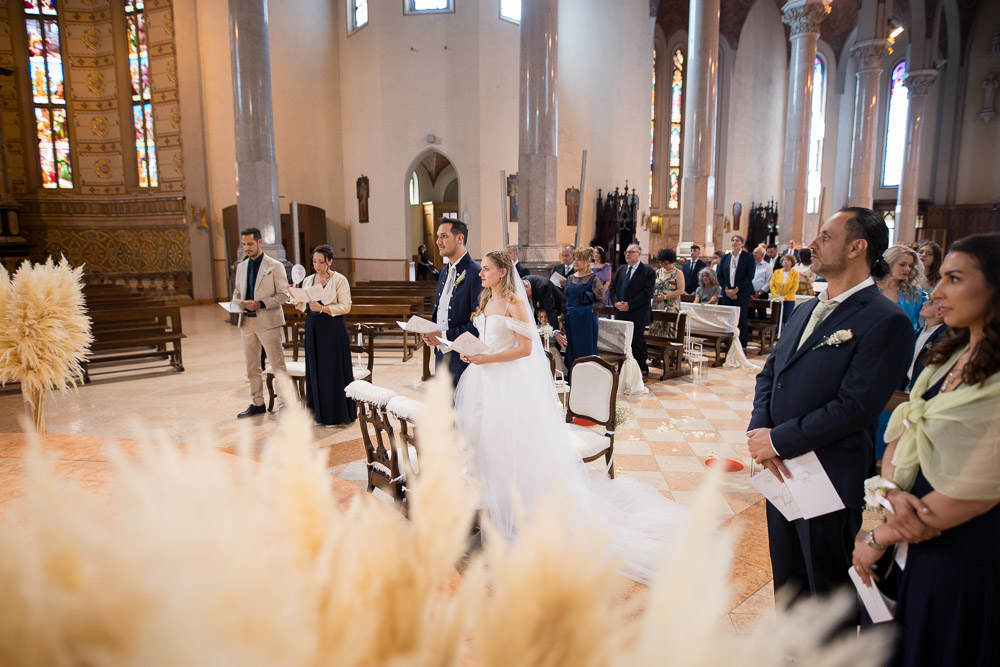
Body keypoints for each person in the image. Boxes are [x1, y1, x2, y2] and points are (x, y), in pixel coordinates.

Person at [454, 250, 687, 583]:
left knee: (513, 447)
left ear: (502, 273)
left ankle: (519, 517)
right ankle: (493, 514)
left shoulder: (515, 303)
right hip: (484, 380)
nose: (481, 273)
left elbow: (526, 348)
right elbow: (487, 338)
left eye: (486, 269)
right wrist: (472, 350)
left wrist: (489, 359)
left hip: (506, 382)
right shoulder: (486, 299)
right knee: (489, 448)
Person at [747, 206, 914, 606]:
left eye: (825, 236)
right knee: (786, 573)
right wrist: (759, 432)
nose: (812, 245)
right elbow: (771, 373)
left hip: (829, 470)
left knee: (825, 584)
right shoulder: (806, 308)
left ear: (857, 247)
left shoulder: (885, 320)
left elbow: (854, 407)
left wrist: (778, 440)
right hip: (780, 467)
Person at [851, 233, 1000, 667]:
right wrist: (884, 505)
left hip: (961, 548)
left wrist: (880, 536)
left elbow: (976, 489)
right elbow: (900, 437)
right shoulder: (948, 356)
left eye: (953, 279)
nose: (935, 292)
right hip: (905, 527)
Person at [292, 245, 356, 426]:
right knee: (315, 368)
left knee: (332, 370)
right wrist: (295, 296)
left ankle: (336, 414)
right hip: (313, 327)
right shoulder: (308, 280)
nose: (317, 266)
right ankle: (318, 414)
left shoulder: (339, 280)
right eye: (314, 261)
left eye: (321, 262)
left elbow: (346, 306)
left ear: (330, 261)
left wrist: (323, 308)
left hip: (332, 328)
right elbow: (301, 305)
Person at [232, 227, 289, 419]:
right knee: (252, 366)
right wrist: (237, 304)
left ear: (259, 242)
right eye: (244, 244)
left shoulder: (274, 266)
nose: (246, 248)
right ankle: (257, 403)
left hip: (268, 322)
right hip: (247, 323)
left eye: (249, 244)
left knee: (277, 365)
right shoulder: (241, 267)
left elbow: (283, 295)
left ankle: (284, 406)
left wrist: (261, 303)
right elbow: (237, 293)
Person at [423, 218, 483, 387]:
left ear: (459, 238)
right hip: (441, 354)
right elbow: (443, 311)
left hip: (463, 356)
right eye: (438, 237)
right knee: (445, 407)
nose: (438, 242)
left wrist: (442, 336)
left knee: (461, 410)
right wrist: (431, 331)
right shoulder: (443, 272)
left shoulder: (475, 273)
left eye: (443, 236)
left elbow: (477, 324)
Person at [610, 243, 656, 376]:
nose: (627, 254)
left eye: (631, 252)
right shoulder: (621, 270)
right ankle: (625, 369)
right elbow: (613, 288)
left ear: (639, 254)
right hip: (620, 312)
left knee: (637, 342)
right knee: (622, 342)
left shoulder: (648, 271)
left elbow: (647, 293)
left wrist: (630, 304)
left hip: (638, 313)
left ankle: (642, 369)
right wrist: (616, 302)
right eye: (626, 252)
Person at [563, 246, 603, 368]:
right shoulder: (570, 278)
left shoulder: (593, 278)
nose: (575, 262)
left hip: (587, 322)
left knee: (585, 353)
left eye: (579, 259)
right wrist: (562, 318)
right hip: (571, 320)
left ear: (587, 262)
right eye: (574, 259)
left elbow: (601, 301)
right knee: (571, 352)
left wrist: (587, 310)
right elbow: (566, 299)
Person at [716, 234, 755, 349]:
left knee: (741, 319)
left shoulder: (748, 257)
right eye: (733, 240)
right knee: (728, 319)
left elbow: (749, 276)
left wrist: (736, 290)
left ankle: (741, 346)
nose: (734, 242)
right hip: (727, 293)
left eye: (737, 240)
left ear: (742, 243)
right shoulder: (725, 257)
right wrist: (727, 289)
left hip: (742, 293)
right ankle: (727, 344)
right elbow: (720, 275)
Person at [878, 245, 927, 331]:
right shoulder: (871, 287)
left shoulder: (914, 291)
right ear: (888, 264)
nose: (907, 269)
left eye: (910, 265)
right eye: (902, 264)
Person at [904, 296, 949, 390]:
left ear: (940, 313)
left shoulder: (944, 337)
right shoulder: (919, 332)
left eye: (931, 302)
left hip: (923, 389)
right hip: (907, 386)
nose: (925, 303)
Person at [649, 248, 684, 337]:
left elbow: (681, 290)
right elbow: (654, 286)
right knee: (656, 324)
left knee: (668, 326)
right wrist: (652, 294)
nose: (664, 265)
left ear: (671, 261)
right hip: (658, 302)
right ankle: (655, 346)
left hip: (671, 304)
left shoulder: (678, 273)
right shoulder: (658, 271)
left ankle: (669, 349)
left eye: (666, 264)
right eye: (661, 263)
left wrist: (665, 297)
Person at [769, 254, 800, 330]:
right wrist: (776, 296)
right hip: (777, 298)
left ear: (791, 262)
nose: (785, 261)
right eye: (783, 260)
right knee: (776, 317)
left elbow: (794, 288)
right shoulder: (777, 272)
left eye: (787, 260)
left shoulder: (795, 273)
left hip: (789, 299)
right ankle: (775, 334)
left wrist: (785, 297)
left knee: (787, 318)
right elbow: (772, 284)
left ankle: (785, 334)